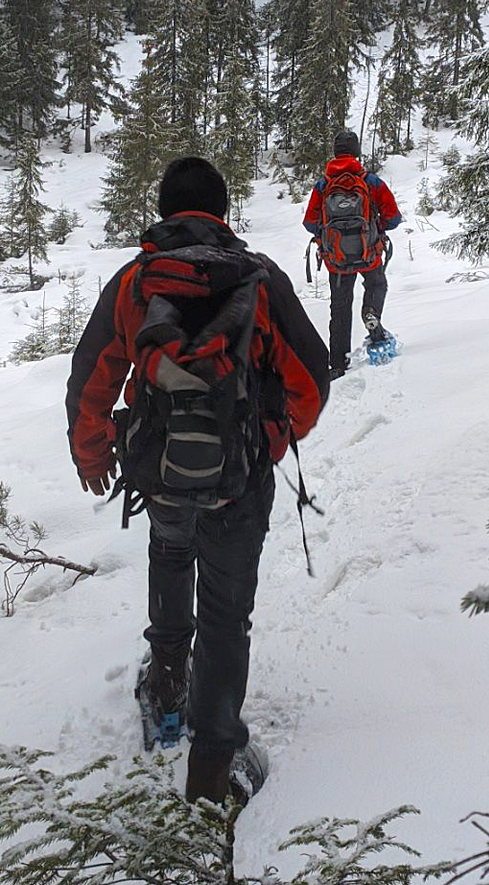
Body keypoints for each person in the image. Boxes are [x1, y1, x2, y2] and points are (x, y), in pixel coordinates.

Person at [66, 157, 329, 804]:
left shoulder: (136, 282)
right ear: (223, 211)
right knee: (224, 613)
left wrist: (95, 458)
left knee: (170, 549)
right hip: (239, 476)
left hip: (160, 470)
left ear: (163, 212)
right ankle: (213, 772)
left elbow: (90, 382)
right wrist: (268, 440)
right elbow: (312, 379)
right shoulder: (259, 279)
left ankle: (164, 687)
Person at [303, 130, 403, 379]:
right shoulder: (370, 181)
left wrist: (327, 235)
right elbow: (393, 217)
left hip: (336, 260)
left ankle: (337, 364)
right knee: (377, 284)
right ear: (357, 152)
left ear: (335, 153)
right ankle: (371, 314)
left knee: (339, 307)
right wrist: (376, 227)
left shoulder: (323, 185)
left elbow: (309, 222)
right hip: (369, 253)